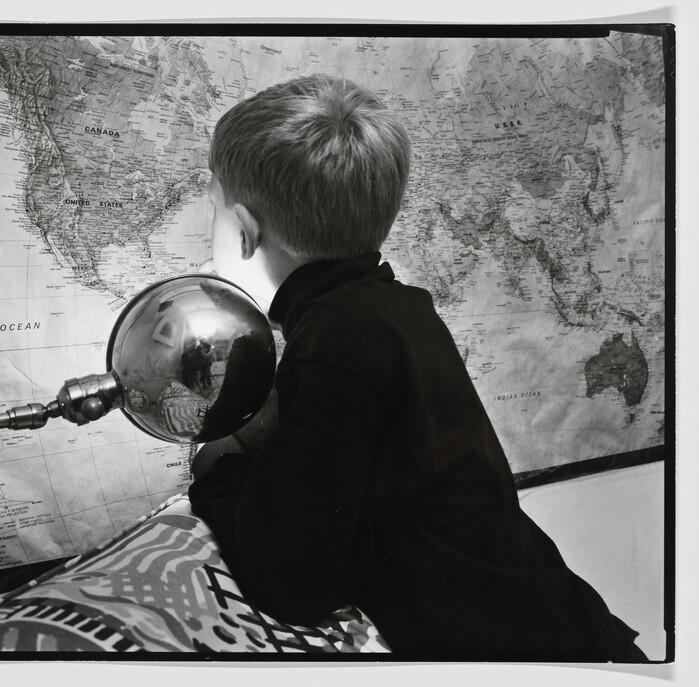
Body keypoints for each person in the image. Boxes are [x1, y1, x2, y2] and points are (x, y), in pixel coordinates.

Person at [188, 74, 646, 661]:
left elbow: (291, 584)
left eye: (215, 214)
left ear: (246, 232)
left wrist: (218, 468)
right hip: (554, 619)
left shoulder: (338, 342)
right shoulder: (395, 310)